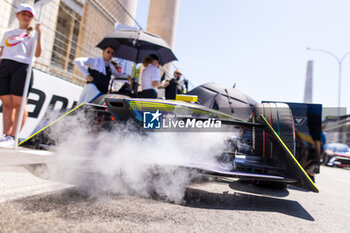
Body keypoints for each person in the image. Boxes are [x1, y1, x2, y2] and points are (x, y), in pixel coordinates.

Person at [0, 4, 42, 148]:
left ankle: (13, 135)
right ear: (17, 15)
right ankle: (6, 135)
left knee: (19, 103)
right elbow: (2, 52)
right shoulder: (8, 33)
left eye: (30, 15)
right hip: (5, 66)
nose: (26, 17)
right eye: (24, 14)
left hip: (22, 66)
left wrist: (39, 34)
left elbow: (37, 54)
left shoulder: (34, 34)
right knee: (6, 103)